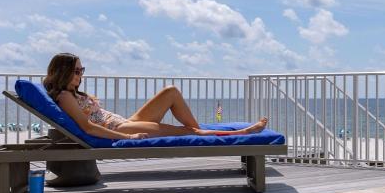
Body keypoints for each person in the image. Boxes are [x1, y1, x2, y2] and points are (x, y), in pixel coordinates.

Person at [44, 53, 268, 140]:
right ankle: (240, 132)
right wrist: (127, 138)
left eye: (82, 70)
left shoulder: (72, 93)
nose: (81, 75)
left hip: (124, 122)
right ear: (63, 72)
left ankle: (200, 130)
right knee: (185, 132)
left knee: (170, 91)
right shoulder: (65, 97)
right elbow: (88, 128)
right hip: (119, 130)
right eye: (77, 71)